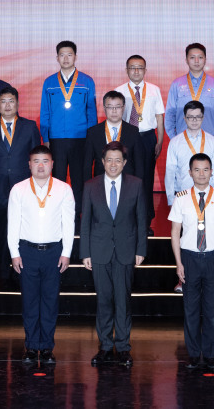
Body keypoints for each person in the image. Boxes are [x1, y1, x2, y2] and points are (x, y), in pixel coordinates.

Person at [81, 143, 148, 368]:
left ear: (124, 163)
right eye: (109, 160)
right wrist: (85, 253)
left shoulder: (136, 185)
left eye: (118, 160)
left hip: (125, 251)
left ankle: (123, 347)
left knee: (123, 301)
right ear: (102, 162)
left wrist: (140, 249)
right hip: (99, 252)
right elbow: (85, 222)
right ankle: (105, 346)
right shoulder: (90, 186)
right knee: (103, 301)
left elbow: (141, 220)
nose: (113, 164)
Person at [7, 145, 75, 367]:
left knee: (49, 302)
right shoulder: (18, 189)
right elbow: (13, 224)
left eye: (45, 161)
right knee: (29, 301)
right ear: (29, 164)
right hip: (27, 252)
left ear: (52, 164)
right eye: (36, 161)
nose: (41, 166)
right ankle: (30, 346)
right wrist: (14, 253)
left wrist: (66, 253)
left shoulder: (64, 189)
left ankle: (46, 347)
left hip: (54, 252)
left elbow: (69, 223)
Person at [169, 153, 214, 373]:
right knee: (191, 310)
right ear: (190, 172)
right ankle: (194, 355)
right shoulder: (181, 198)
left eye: (206, 169)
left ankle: (210, 355)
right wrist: (178, 263)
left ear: (212, 171)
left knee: (212, 310)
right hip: (189, 258)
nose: (202, 174)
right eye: (197, 170)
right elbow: (175, 232)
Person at [0, 85, 42, 289]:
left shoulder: (29, 127)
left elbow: (37, 159)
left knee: (23, 232)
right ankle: (2, 276)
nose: (7, 105)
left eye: (11, 101)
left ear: (18, 104)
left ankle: (21, 274)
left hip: (24, 190)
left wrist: (37, 187)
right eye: (3, 102)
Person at [164, 100, 214, 290]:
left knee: (209, 235)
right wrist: (171, 199)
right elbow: (170, 172)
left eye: (198, 117)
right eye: (190, 117)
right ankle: (182, 279)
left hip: (208, 197)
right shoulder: (175, 142)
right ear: (184, 118)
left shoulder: (212, 141)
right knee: (184, 238)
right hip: (184, 197)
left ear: (203, 117)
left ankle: (208, 278)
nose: (194, 120)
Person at [39, 40, 97, 213]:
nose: (66, 58)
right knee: (58, 179)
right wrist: (46, 137)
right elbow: (45, 112)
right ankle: (58, 213)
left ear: (75, 57)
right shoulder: (49, 82)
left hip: (80, 138)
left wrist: (91, 139)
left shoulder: (87, 81)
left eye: (69, 54)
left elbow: (91, 112)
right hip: (56, 138)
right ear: (57, 58)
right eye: (62, 55)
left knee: (80, 179)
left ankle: (79, 215)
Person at [114, 54, 165, 230]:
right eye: (132, 68)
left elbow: (159, 117)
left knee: (146, 179)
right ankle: (127, 219)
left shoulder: (154, 90)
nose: (136, 71)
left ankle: (146, 220)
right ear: (126, 70)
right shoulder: (119, 91)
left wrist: (160, 140)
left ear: (145, 70)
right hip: (126, 137)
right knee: (126, 178)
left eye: (140, 68)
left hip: (147, 137)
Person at [165, 43, 214, 141]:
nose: (196, 61)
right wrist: (174, 139)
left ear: (205, 60)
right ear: (186, 60)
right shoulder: (176, 84)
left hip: (209, 140)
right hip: (182, 140)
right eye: (192, 57)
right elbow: (170, 114)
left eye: (200, 57)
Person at [86, 91, 141, 177]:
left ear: (123, 108)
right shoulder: (93, 132)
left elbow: (139, 164)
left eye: (118, 107)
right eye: (110, 107)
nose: (114, 111)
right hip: (101, 181)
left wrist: (137, 184)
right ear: (104, 108)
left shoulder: (133, 131)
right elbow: (87, 164)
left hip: (127, 181)